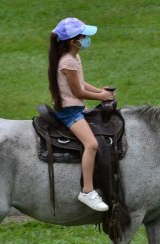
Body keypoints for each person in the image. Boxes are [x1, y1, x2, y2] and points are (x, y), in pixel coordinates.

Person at [48, 17, 116, 212]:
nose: (87, 39)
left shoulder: (74, 57)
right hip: (69, 112)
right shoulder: (67, 62)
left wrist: (100, 92)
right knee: (92, 144)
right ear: (73, 41)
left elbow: (81, 83)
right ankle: (87, 191)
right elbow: (78, 92)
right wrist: (100, 96)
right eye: (84, 36)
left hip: (76, 107)